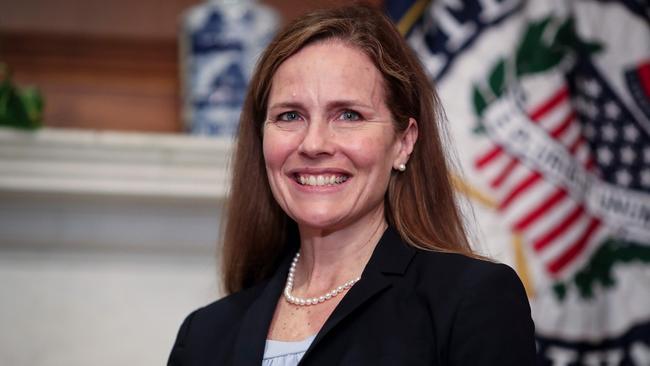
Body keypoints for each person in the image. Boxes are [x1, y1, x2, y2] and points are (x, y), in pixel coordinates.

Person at [168, 4, 536, 366]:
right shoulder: (204, 334)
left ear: (403, 142)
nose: (313, 144)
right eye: (290, 115)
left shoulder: (470, 301)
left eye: (348, 115)